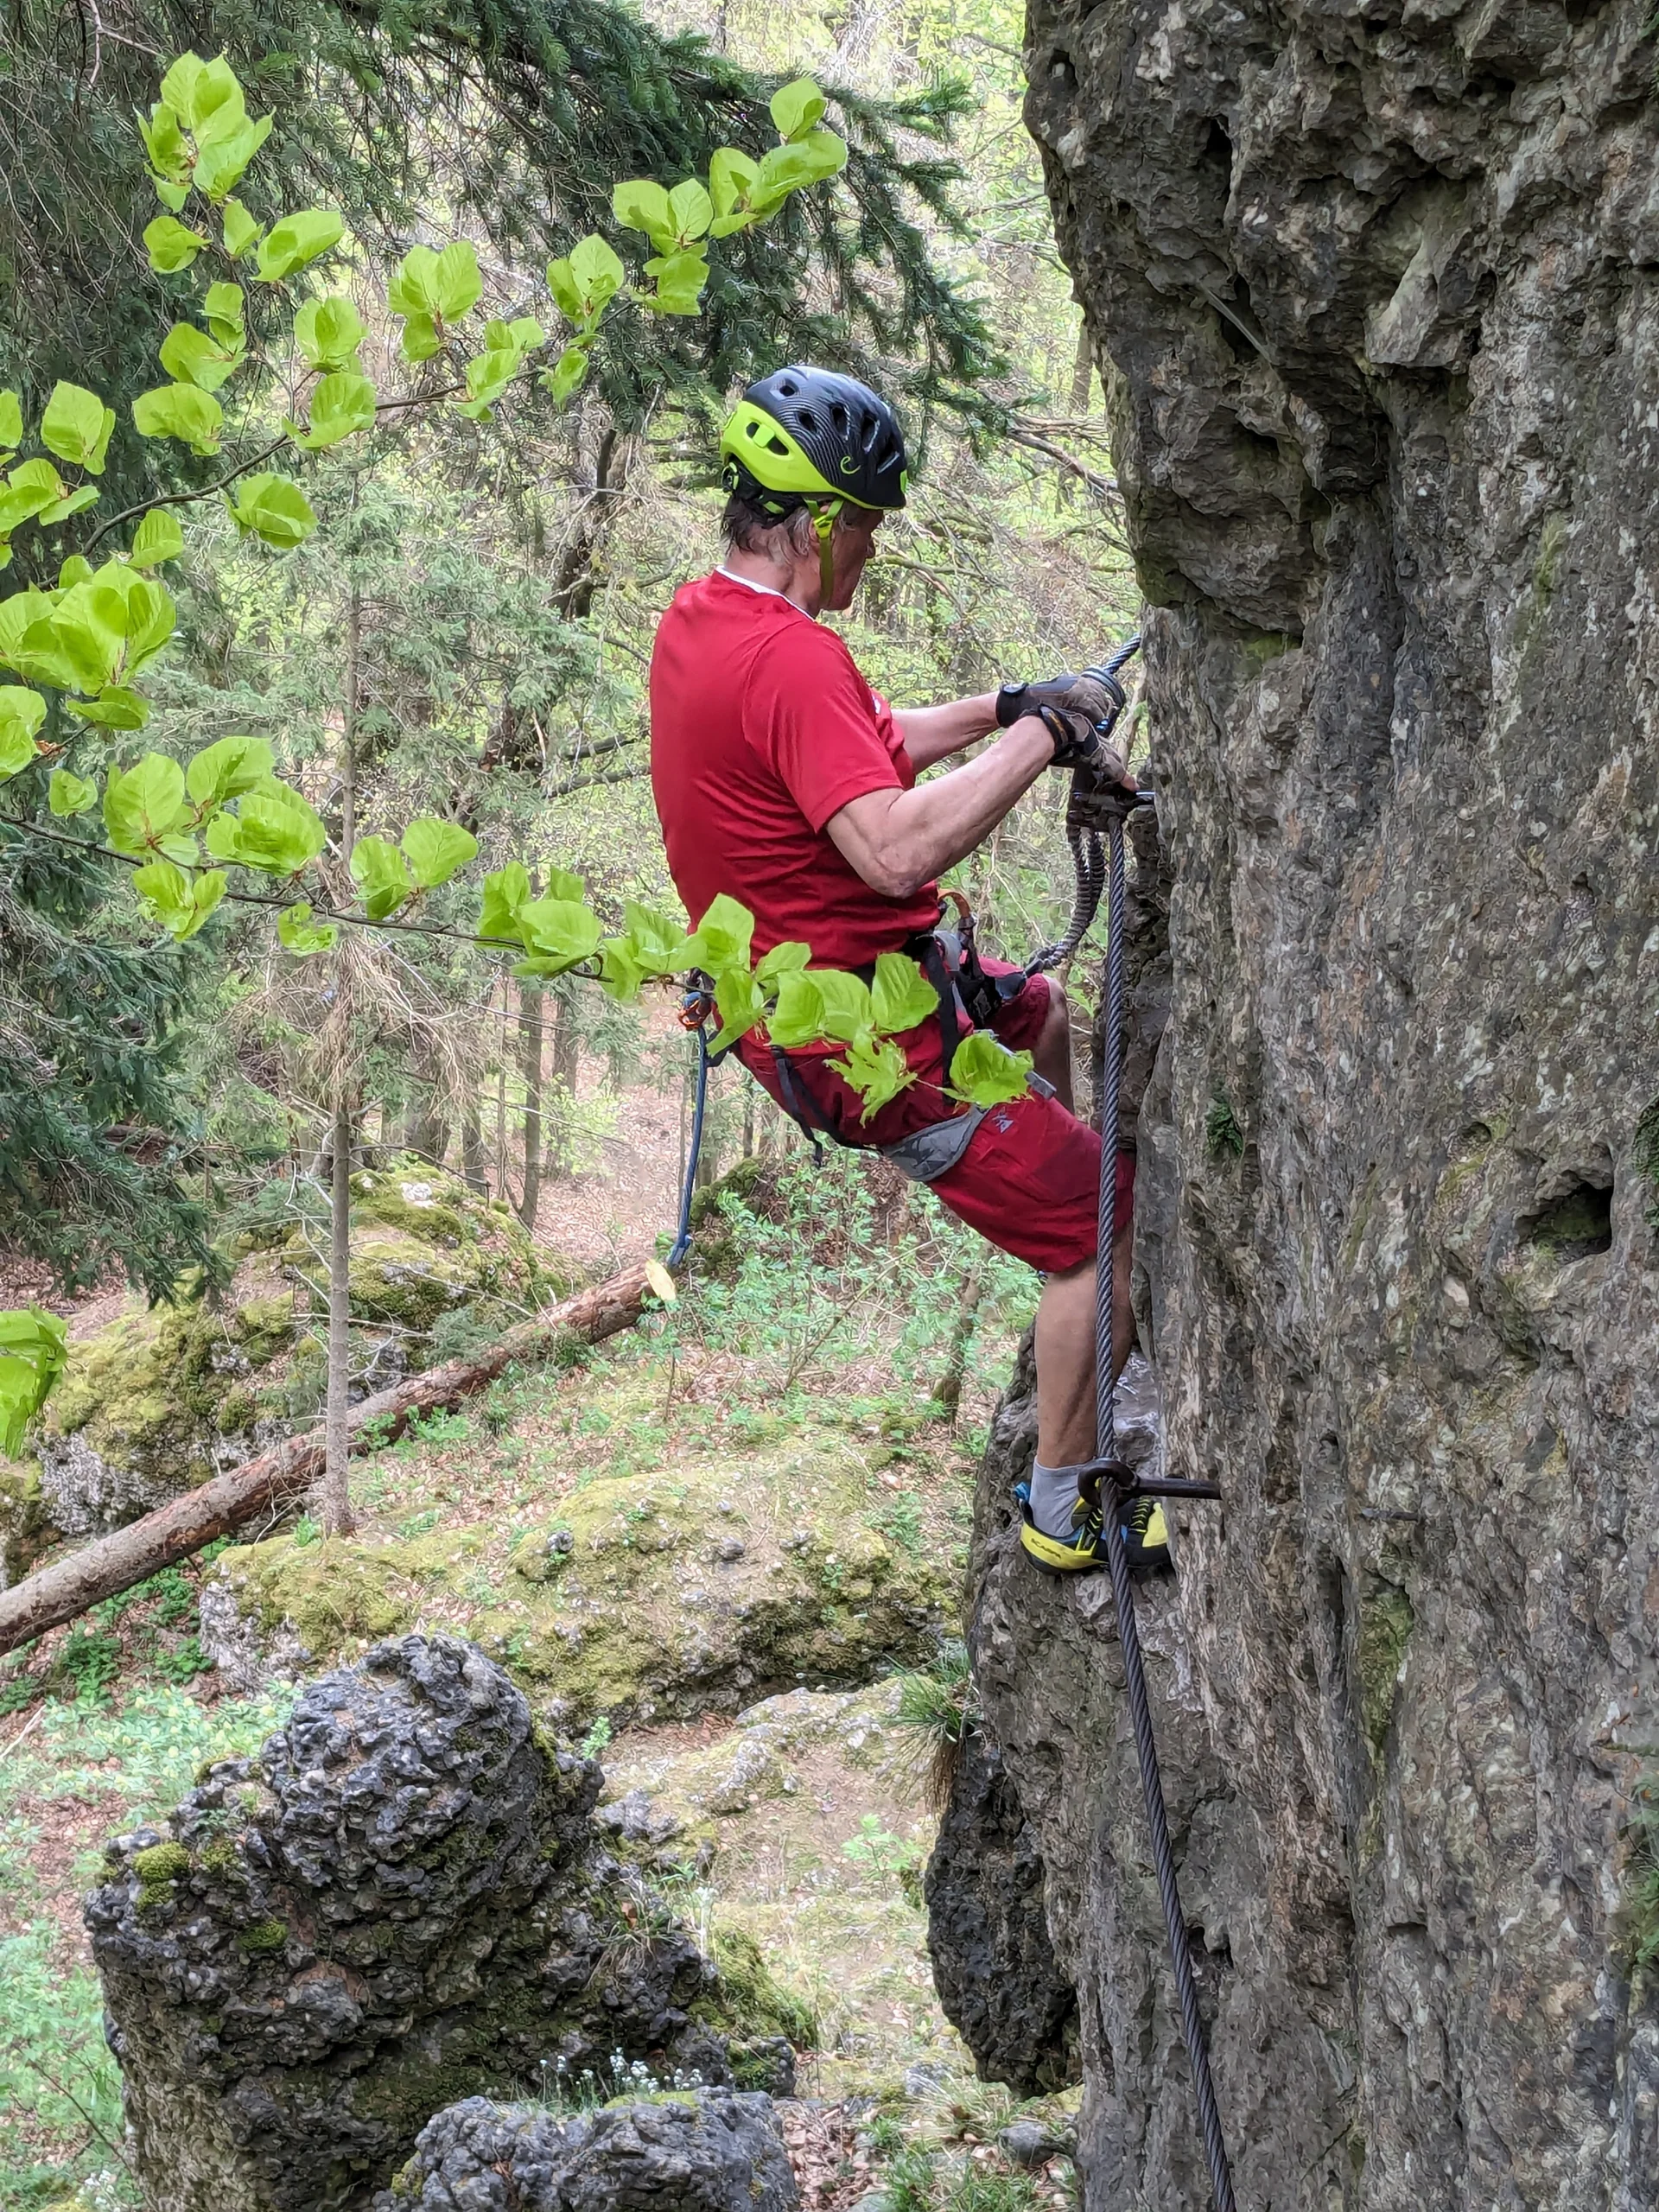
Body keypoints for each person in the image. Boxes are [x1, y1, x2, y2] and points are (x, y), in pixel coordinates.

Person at [648, 365, 1164, 1573]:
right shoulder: (789, 659)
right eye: (867, 525)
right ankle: (1058, 1505)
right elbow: (892, 848)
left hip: (833, 1005)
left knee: (1038, 1014)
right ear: (820, 523)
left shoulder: (706, 626)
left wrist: (1004, 704)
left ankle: (1050, 1233)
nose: (871, 552)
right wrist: (1047, 738)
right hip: (870, 1047)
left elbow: (863, 743)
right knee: (1106, 1220)